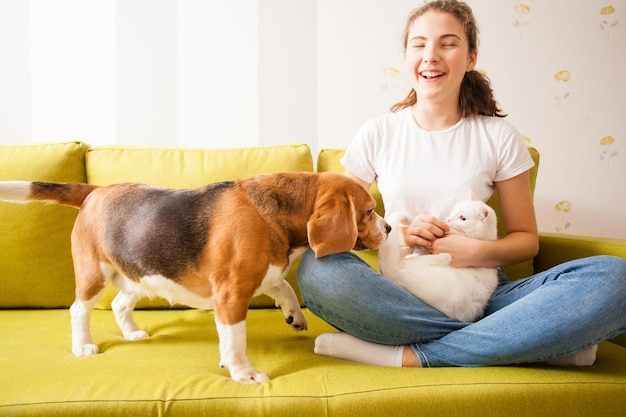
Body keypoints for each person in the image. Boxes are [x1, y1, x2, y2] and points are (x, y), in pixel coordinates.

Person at [296, 0, 626, 368]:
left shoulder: (498, 136)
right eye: (418, 44)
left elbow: (525, 240)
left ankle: (411, 355)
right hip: (401, 291)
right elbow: (340, 231)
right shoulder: (379, 133)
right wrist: (400, 236)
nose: (431, 56)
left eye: (447, 44)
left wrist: (474, 252)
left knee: (616, 278)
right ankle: (520, 340)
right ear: (406, 56)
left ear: (471, 58)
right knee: (317, 269)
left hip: (480, 294)